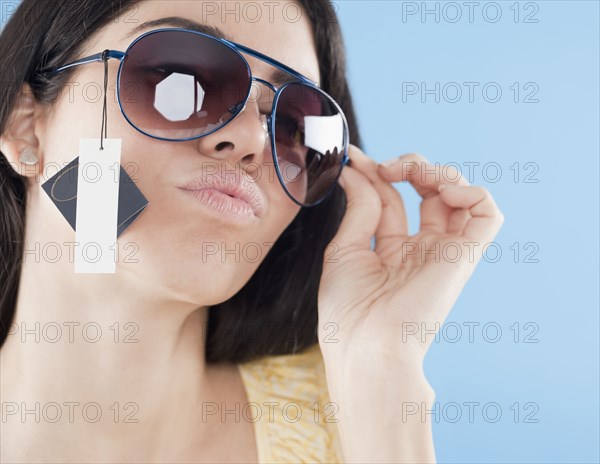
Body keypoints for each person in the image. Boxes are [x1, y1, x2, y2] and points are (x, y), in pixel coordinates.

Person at [0, 0, 504, 462]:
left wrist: (380, 374)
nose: (248, 140)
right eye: (178, 77)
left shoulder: (354, 418)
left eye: (289, 125)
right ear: (26, 126)